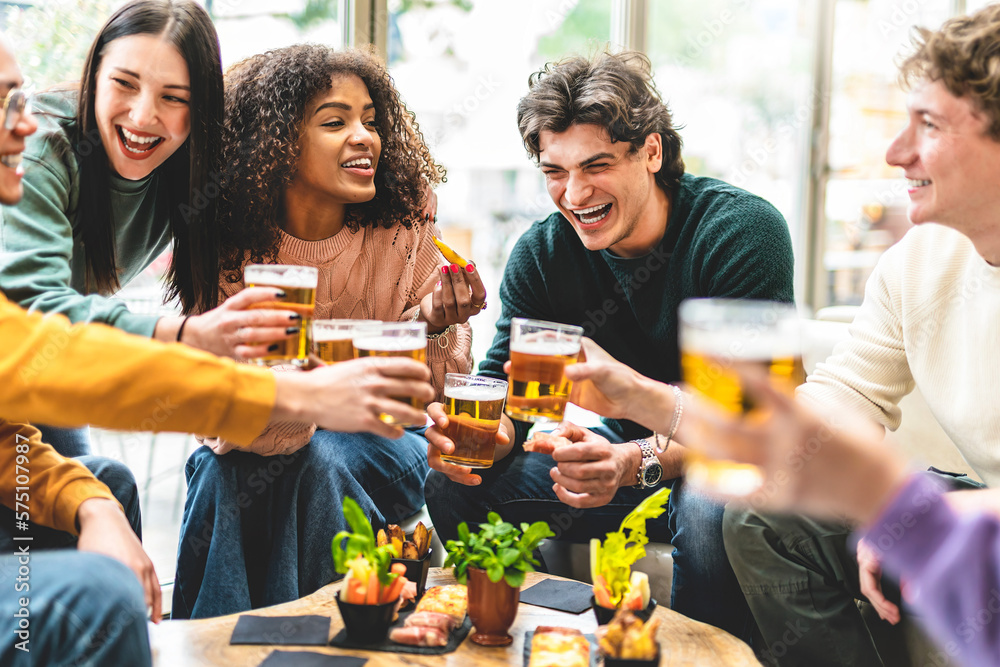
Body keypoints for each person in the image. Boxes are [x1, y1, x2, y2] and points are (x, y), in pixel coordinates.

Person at [0, 33, 435, 665]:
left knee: (115, 483)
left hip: (368, 443)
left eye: (20, 101)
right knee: (212, 484)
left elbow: (18, 411)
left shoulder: (394, 231)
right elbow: (52, 349)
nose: (27, 126)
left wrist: (90, 504)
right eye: (5, 106)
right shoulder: (221, 235)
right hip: (258, 430)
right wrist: (282, 386)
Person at [422, 50, 795, 639]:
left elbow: (745, 422)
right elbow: (512, 395)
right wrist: (485, 439)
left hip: (714, 464)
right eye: (554, 172)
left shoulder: (738, 233)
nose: (574, 194)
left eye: (596, 165)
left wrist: (632, 462)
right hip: (620, 468)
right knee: (451, 479)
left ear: (651, 151)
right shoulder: (543, 254)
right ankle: (536, 640)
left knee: (710, 501)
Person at [720, 6, 1000, 665]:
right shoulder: (923, 257)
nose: (895, 151)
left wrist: (918, 516)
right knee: (757, 508)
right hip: (978, 498)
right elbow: (849, 388)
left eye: (927, 124)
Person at [172, 44, 485, 619]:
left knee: (319, 455)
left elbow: (432, 398)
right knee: (222, 468)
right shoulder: (222, 245)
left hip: (390, 442)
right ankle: (217, 649)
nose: (364, 135)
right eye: (335, 121)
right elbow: (221, 415)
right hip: (265, 442)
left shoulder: (403, 223)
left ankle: (323, 640)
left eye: (370, 119)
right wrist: (309, 395)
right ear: (275, 146)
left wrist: (436, 324)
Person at [568, 344, 1000, 667]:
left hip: (983, 499)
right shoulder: (916, 259)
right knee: (757, 515)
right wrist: (643, 400)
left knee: (709, 503)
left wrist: (908, 512)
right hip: (949, 494)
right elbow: (833, 401)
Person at [0, 0, 298, 457]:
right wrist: (183, 334)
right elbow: (32, 310)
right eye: (124, 83)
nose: (142, 116)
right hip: (19, 357)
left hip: (47, 366)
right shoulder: (41, 148)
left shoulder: (193, 172)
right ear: (94, 75)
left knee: (106, 491)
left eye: (173, 97)